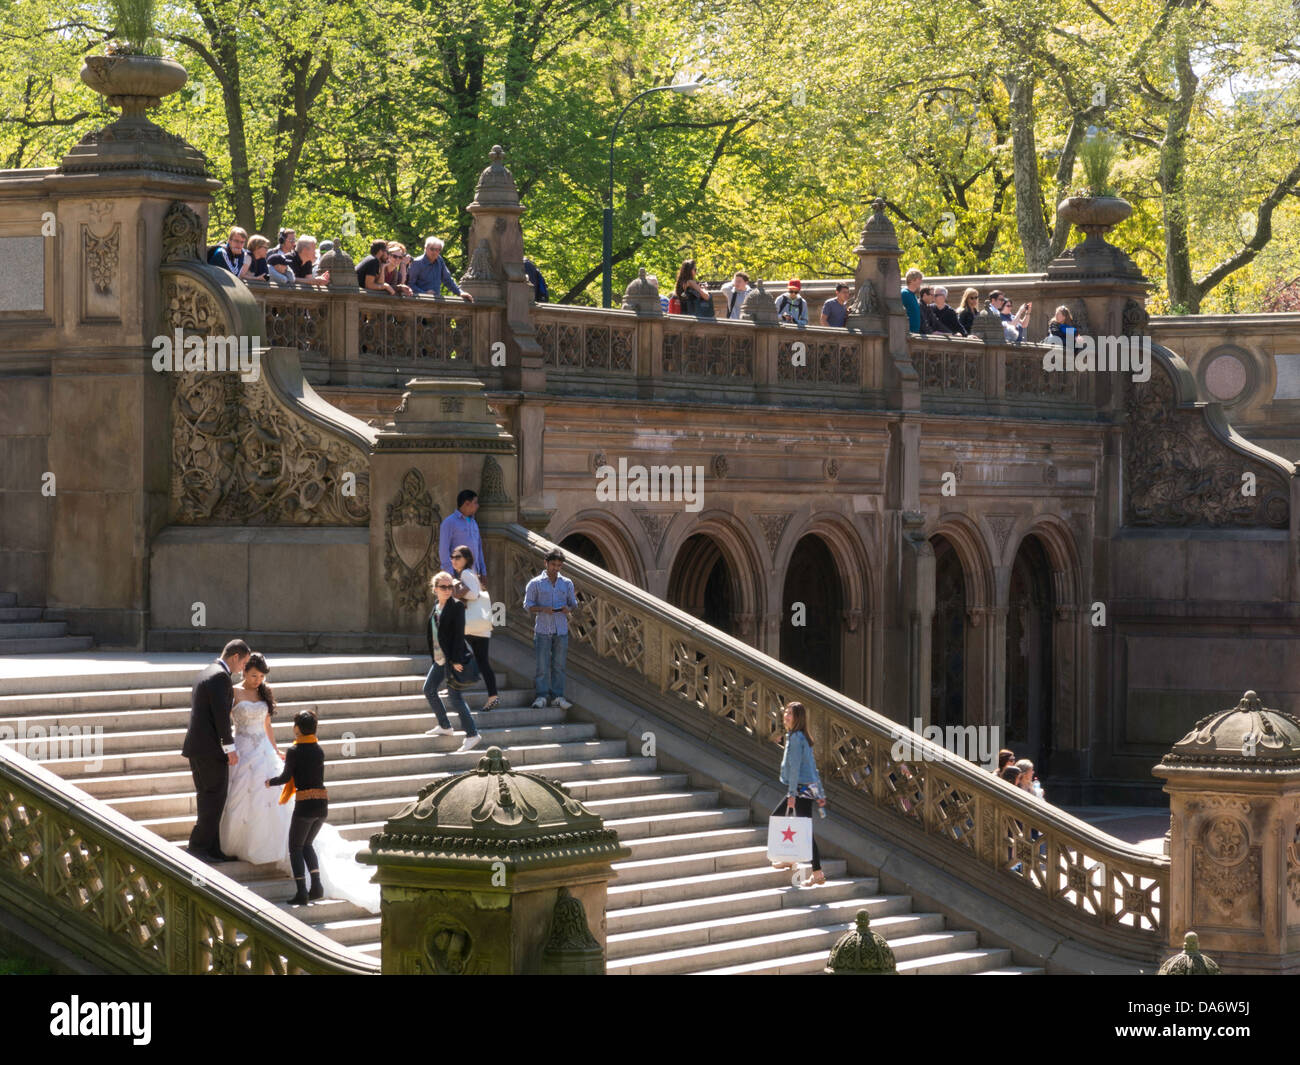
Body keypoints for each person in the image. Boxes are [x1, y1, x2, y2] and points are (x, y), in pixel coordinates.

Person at [219, 652, 292, 866]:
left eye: (261, 677)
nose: (258, 681)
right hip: (241, 748)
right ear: (243, 671)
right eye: (254, 676)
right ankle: (235, 845)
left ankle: (268, 846)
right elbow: (224, 721)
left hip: (263, 751)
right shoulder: (233, 692)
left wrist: (275, 749)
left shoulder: (264, 692)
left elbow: (267, 725)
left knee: (267, 795)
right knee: (239, 796)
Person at [182, 639, 250, 863]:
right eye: (243, 663)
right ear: (235, 657)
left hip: (199, 748)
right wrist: (229, 747)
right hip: (209, 750)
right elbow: (221, 717)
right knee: (214, 797)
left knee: (209, 797)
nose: (243, 669)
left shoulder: (207, 671)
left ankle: (211, 847)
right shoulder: (220, 676)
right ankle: (198, 846)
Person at [264, 710, 328, 906]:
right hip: (322, 804)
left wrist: (269, 782)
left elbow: (285, 777)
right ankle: (316, 887)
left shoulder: (294, 751)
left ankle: (302, 891)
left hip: (305, 805)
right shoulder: (318, 749)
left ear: (297, 729)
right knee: (307, 845)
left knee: (295, 847)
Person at [422, 571, 481, 752]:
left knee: (455, 697)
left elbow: (458, 635)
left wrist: (455, 660)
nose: (448, 590)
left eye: (450, 587)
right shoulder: (436, 607)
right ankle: (445, 726)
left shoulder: (456, 606)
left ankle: (472, 734)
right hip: (441, 658)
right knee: (429, 689)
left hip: (452, 659)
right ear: (435, 589)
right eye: (444, 587)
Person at [770, 701, 826, 887]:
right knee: (792, 823)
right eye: (785, 712)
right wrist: (820, 793)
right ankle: (788, 858)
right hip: (807, 788)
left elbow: (795, 769)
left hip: (800, 789)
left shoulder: (795, 738)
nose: (786, 715)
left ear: (797, 718)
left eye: (790, 713)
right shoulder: (802, 737)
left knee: (803, 830)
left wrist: (792, 794)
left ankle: (817, 872)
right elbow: (812, 768)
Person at [523, 549, 577, 710]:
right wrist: (542, 608)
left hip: (561, 630)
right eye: (553, 564)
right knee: (542, 665)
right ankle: (541, 696)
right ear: (546, 563)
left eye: (559, 565)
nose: (556, 568)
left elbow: (573, 603)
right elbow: (527, 605)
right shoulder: (535, 583)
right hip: (542, 629)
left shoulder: (566, 583)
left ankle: (557, 696)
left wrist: (568, 608)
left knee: (559, 665)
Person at [451, 544, 499, 710]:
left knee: (453, 652)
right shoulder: (469, 574)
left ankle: (452, 687)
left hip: (470, 625)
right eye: (452, 557)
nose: (454, 560)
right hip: (480, 626)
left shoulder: (465, 573)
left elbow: (473, 594)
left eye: (458, 557)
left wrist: (457, 589)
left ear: (467, 559)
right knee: (482, 662)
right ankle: (492, 696)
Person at [408, 236, 475, 302]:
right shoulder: (417, 263)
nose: (435, 252)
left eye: (438, 250)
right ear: (425, 248)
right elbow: (410, 284)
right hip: (420, 301)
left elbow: (447, 280)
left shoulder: (439, 261)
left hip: (437, 301)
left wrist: (460, 292)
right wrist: (424, 293)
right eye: (432, 249)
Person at [439, 489, 485, 578]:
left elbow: (479, 548)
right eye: (475, 503)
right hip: (457, 575)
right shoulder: (449, 522)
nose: (477, 506)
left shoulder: (473, 523)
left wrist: (483, 571)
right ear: (467, 503)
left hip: (475, 574)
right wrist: (450, 574)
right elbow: (443, 550)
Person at [900, 267, 923, 333]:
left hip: (915, 333)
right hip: (908, 333)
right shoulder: (905, 294)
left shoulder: (913, 295)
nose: (921, 281)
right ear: (912, 280)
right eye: (919, 279)